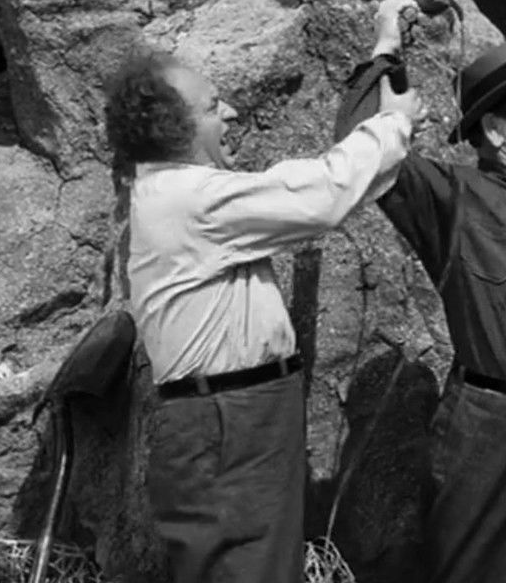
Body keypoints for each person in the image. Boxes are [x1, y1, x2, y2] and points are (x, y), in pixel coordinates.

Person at [104, 49, 419, 583]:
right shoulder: (188, 198)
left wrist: (385, 66)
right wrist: (393, 123)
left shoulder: (180, 195)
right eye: (212, 106)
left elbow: (315, 192)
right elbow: (318, 195)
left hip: (239, 413)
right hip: (229, 420)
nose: (230, 113)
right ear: (172, 128)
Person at [335, 0, 506, 583]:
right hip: (494, 426)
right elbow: (358, 145)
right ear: (495, 131)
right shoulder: (456, 196)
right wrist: (387, 42)